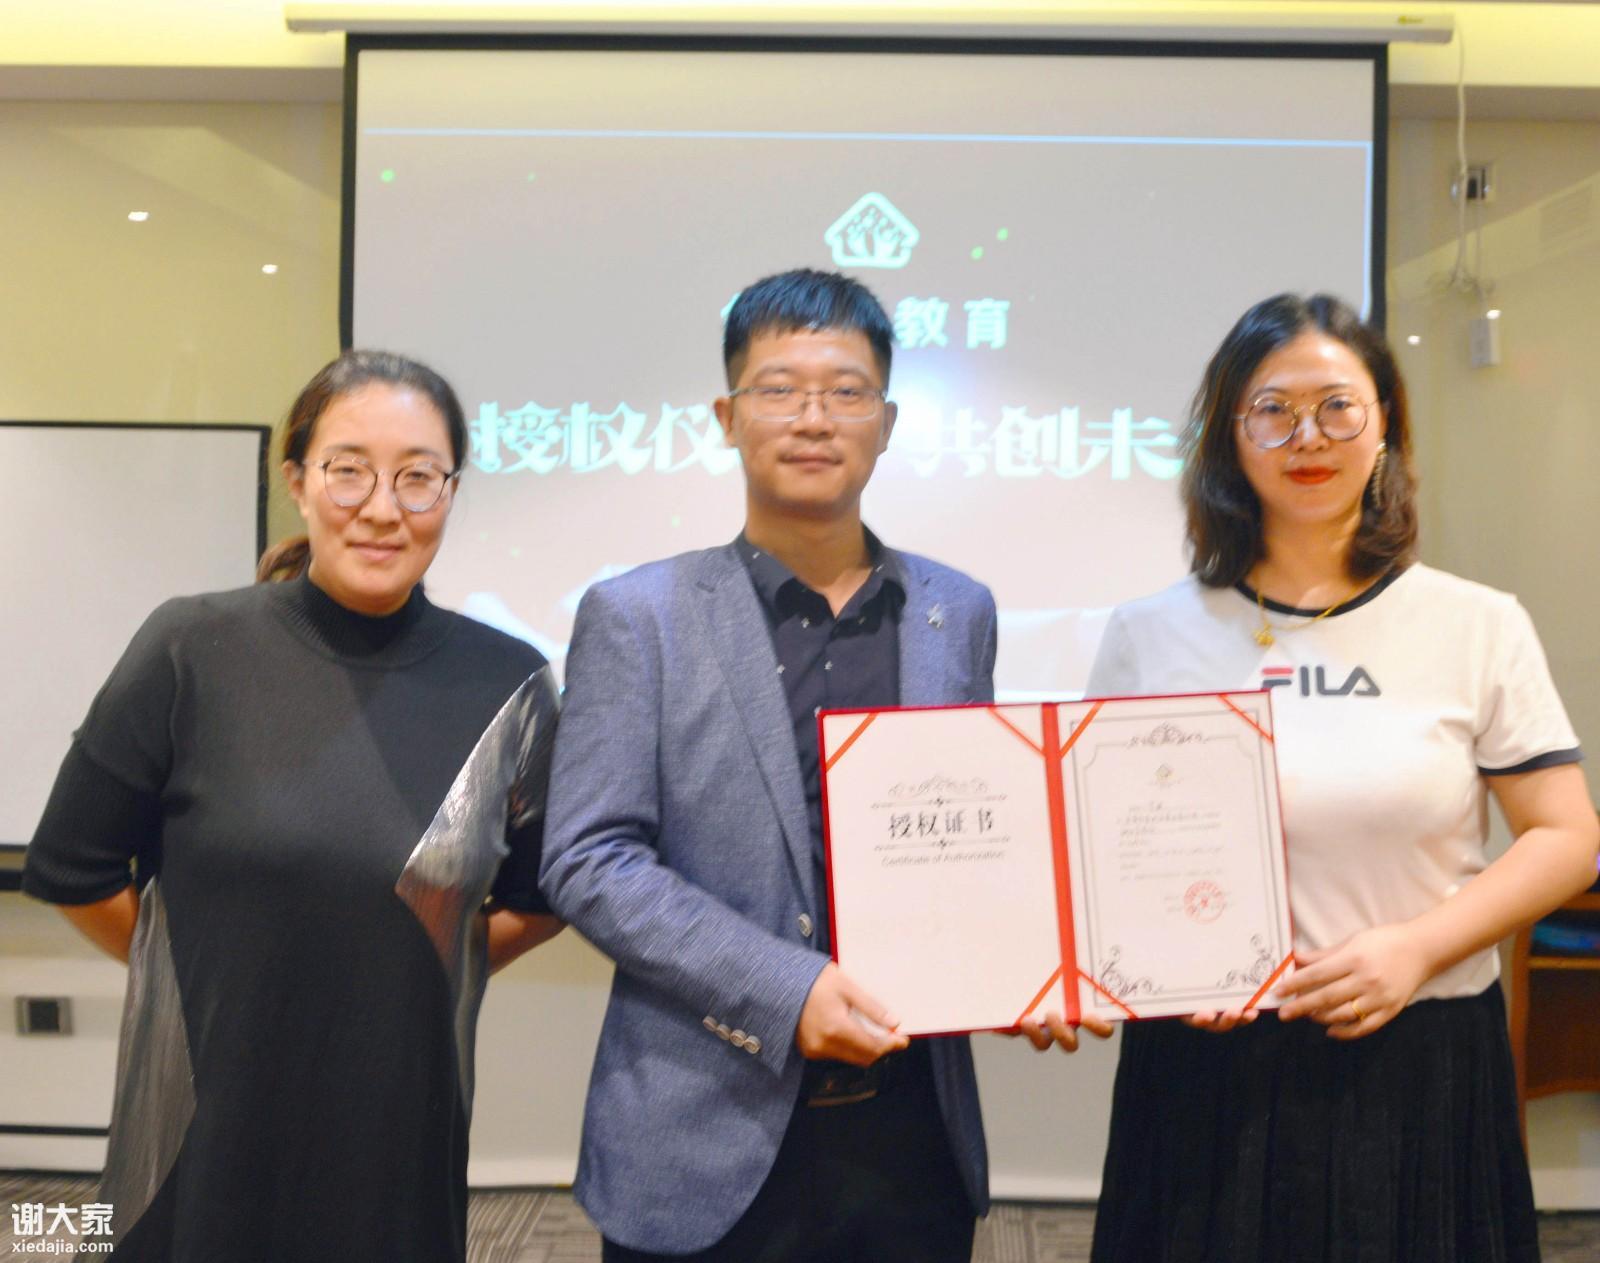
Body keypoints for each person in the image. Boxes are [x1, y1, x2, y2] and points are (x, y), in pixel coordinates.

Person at [541, 269, 1101, 1261]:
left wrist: (1027, 965)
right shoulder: (638, 616)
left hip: (911, 1136)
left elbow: (975, 834)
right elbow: (590, 859)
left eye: (846, 391)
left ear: (886, 422)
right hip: (699, 1129)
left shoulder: (955, 610)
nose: (813, 418)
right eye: (779, 390)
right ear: (727, 418)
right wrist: (784, 989)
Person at [1084, 293, 1599, 1263]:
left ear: (1384, 424)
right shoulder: (1150, 633)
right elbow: (1102, 849)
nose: (1307, 436)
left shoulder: (1476, 623)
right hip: (1207, 1059)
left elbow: (1568, 837)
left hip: (1419, 1048)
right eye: (1272, 410)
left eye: (1336, 406)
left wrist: (1414, 949)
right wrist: (1153, 959)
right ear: (1229, 435)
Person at [22, 350, 564, 1262]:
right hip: (204, 1117)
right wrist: (200, 972)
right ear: (298, 481)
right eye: (348, 469)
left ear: (451, 491)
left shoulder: (507, 680)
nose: (383, 507)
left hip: (397, 1118)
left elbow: (545, 894)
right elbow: (72, 867)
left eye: (418, 477)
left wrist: (417, 959)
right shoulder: (191, 646)